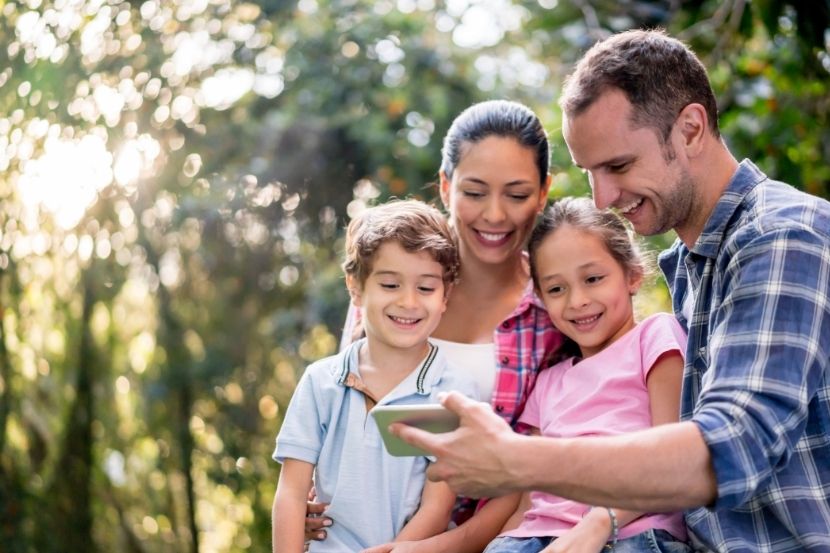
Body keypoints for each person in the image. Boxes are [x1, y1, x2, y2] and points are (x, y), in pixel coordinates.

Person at [390, 29, 830, 552]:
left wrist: (518, 461)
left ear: (690, 129)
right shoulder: (694, 265)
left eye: (618, 166)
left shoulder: (780, 236)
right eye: (590, 173)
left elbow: (731, 446)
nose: (603, 198)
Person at [306, 100, 566, 553]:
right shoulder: (387, 288)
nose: (495, 215)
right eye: (475, 191)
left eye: (518, 194)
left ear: (543, 193)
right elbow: (335, 417)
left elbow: (537, 477)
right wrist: (307, 501)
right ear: (446, 186)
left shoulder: (556, 311)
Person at [271, 199, 481, 552]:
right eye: (390, 285)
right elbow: (291, 494)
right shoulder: (321, 382)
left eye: (426, 288)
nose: (409, 302)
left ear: (446, 295)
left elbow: (436, 506)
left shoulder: (451, 392)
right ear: (356, 287)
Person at [482, 197, 689, 553]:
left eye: (593, 279)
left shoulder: (655, 337)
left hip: (630, 532)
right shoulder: (548, 381)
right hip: (532, 539)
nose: (577, 300)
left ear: (632, 275)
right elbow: (526, 502)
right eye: (557, 289)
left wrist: (599, 523)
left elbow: (674, 459)